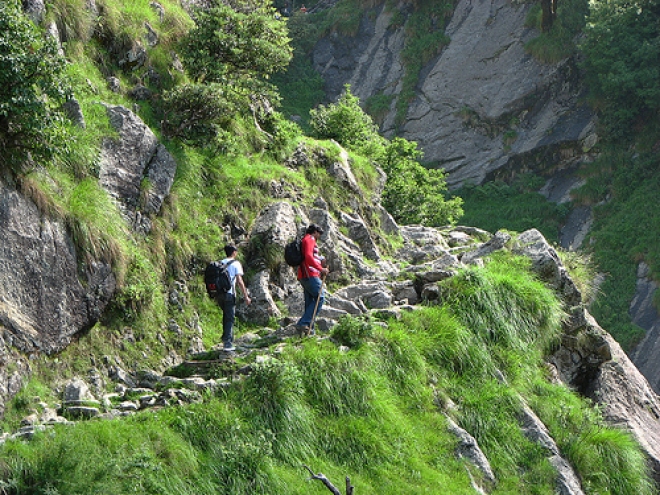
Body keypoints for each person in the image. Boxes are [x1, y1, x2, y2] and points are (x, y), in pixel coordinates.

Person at [296, 224, 329, 335]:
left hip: (304, 275)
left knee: (310, 301)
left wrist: (320, 259)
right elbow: (309, 257)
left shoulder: (304, 240)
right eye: (319, 233)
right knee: (320, 297)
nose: (319, 236)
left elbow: (310, 256)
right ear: (315, 232)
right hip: (309, 274)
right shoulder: (310, 239)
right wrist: (321, 269)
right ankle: (303, 323)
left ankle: (309, 330)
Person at [217, 244, 251, 351]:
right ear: (234, 252)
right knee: (230, 318)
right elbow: (240, 281)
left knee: (226, 316)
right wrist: (246, 296)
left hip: (219, 295)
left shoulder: (220, 263)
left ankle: (226, 338)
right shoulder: (236, 264)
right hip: (229, 294)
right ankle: (227, 343)